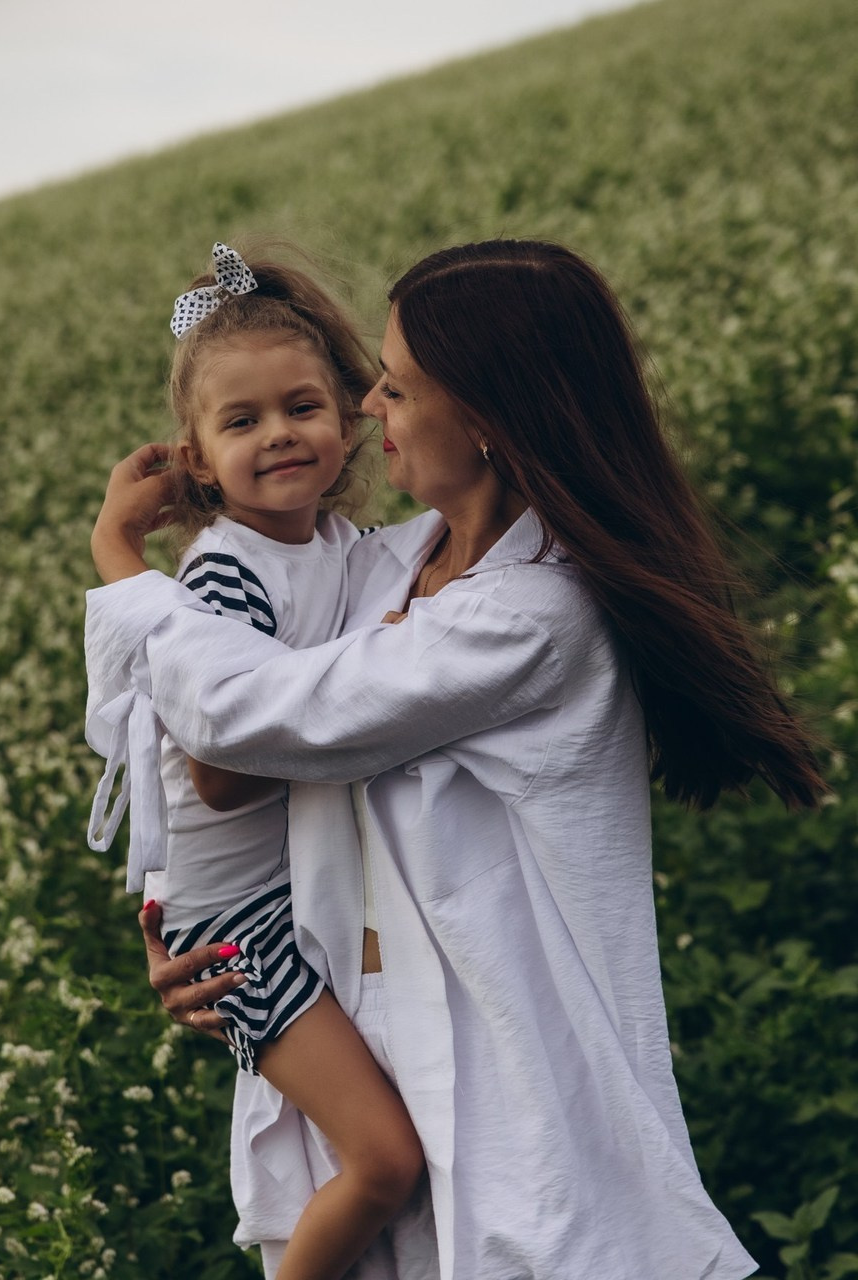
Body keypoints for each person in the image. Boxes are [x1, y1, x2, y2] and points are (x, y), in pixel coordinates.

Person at [85, 239, 826, 1279]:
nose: (368, 406)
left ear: (485, 413)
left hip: (520, 1118)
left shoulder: (529, 614)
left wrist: (119, 560)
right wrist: (202, 927)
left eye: (393, 385)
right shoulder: (390, 567)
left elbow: (243, 712)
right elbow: (245, 760)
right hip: (402, 1082)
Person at [85, 242, 425, 1280]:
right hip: (231, 929)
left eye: (300, 406)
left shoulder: (333, 545)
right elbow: (221, 769)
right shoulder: (227, 574)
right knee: (381, 1161)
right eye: (240, 422)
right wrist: (361, 695)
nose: (278, 434)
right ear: (193, 458)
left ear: (348, 413)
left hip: (286, 891)